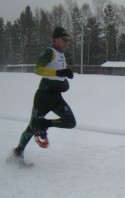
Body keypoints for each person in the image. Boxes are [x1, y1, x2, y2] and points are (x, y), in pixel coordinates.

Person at [8, 27, 76, 163]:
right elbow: (38, 69)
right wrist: (58, 74)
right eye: (64, 40)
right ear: (56, 39)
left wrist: (64, 82)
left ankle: (44, 125)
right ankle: (17, 153)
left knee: (70, 122)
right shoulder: (49, 52)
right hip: (43, 98)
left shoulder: (61, 54)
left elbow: (57, 74)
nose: (66, 43)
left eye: (68, 40)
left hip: (56, 97)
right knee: (32, 127)